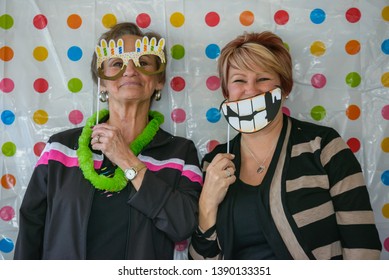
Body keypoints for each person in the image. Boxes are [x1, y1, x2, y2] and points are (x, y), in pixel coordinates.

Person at [14, 22, 203, 260]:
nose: (130, 70)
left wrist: (125, 158)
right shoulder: (60, 149)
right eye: (117, 63)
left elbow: (183, 225)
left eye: (143, 63)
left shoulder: (180, 153)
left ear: (159, 82)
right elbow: (32, 228)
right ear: (101, 82)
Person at [189, 31, 382, 260]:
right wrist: (208, 202)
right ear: (227, 92)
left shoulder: (323, 146)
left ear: (285, 88)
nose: (250, 90)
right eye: (239, 80)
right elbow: (200, 262)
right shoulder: (215, 162)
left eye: (262, 79)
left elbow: (363, 246)